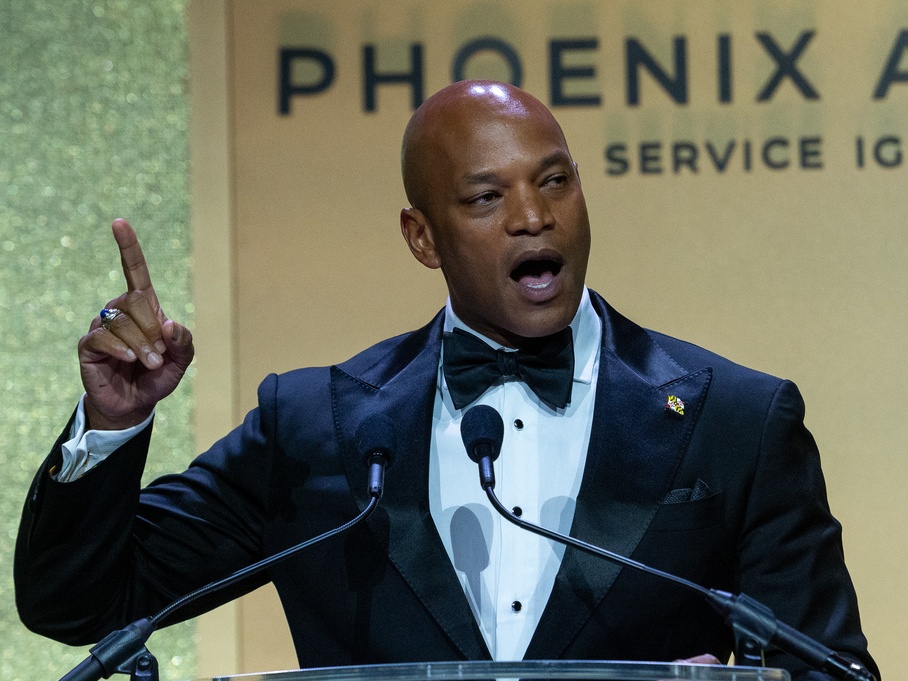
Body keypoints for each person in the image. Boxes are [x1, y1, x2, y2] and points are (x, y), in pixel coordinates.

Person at [15, 81, 877, 679]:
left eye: (554, 182)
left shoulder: (737, 420)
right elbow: (80, 604)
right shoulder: (313, 428)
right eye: (485, 198)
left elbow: (834, 669)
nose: (533, 216)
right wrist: (112, 423)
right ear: (422, 237)